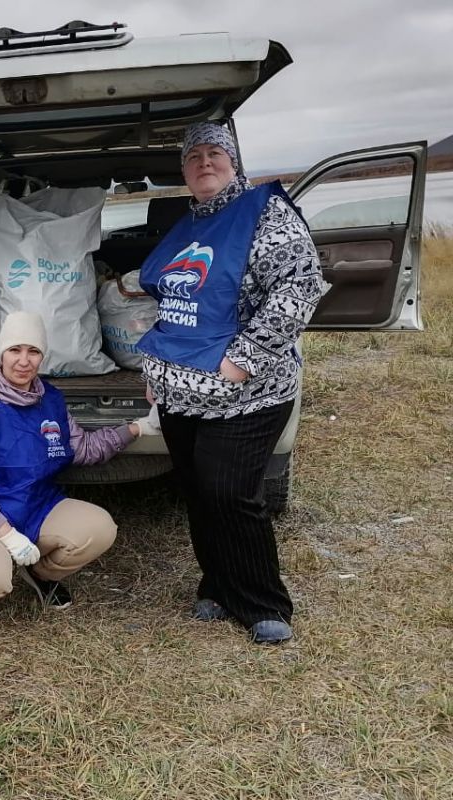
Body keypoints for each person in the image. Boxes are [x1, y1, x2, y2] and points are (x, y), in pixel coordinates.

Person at [135, 122, 326, 645]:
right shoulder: (191, 223)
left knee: (231, 493)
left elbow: (299, 288)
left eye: (214, 152)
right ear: (183, 171)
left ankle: (262, 601)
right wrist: (157, 375)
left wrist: (244, 359)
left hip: (246, 393)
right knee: (197, 492)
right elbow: (175, 308)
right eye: (193, 156)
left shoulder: (266, 214)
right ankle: (217, 584)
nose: (204, 162)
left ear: (234, 161)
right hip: (179, 391)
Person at [0, 311, 161, 625]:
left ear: (42, 357)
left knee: (99, 529)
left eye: (34, 351)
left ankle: (40, 574)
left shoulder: (50, 400)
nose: (24, 360)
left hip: (36, 507)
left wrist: (137, 428)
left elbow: (82, 449)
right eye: (15, 350)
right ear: (1, 353)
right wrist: (7, 535)